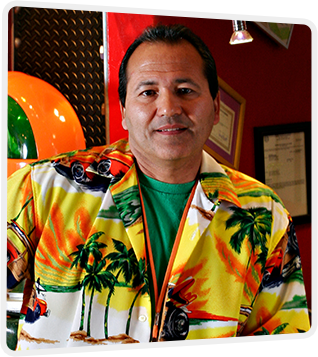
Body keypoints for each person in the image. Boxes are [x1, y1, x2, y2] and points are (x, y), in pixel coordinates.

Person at [7, 24, 310, 352]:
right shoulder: (42, 189)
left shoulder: (263, 214)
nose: (168, 108)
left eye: (185, 90)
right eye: (148, 92)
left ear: (216, 106)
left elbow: (284, 343)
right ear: (123, 110)